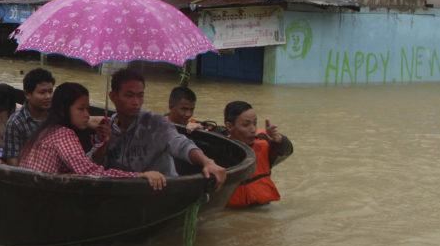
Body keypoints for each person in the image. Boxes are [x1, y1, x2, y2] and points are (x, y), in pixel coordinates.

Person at [97, 69, 226, 191]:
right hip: (124, 193)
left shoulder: (155, 123)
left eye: (140, 96)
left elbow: (181, 144)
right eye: (129, 95)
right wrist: (104, 144)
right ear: (113, 96)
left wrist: (207, 162)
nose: (136, 102)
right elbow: (94, 167)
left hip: (163, 192)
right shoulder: (106, 128)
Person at [19, 83, 146, 179]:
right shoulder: (63, 134)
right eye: (81, 109)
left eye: (87, 108)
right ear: (63, 110)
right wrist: (139, 176)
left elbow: (82, 165)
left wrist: (104, 143)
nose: (87, 115)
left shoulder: (47, 130)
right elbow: (91, 173)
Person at [223, 101, 293, 208]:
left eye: (255, 123)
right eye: (246, 125)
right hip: (232, 211)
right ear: (229, 126)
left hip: (264, 208)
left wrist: (279, 139)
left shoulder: (265, 141)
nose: (253, 129)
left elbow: (287, 151)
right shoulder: (219, 148)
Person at [3, 68, 55, 166]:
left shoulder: (57, 115)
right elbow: (13, 162)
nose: (48, 96)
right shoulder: (16, 122)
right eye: (42, 92)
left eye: (50, 91)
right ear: (27, 94)